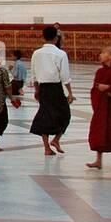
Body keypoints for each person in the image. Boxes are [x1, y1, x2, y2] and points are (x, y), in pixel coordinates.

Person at [30, 24, 73, 155]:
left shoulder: (36, 53)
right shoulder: (60, 54)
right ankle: (56, 139)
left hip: (43, 88)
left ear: (43, 37)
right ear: (56, 38)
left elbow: (34, 74)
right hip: (55, 88)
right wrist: (70, 93)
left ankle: (47, 147)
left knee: (44, 115)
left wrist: (37, 90)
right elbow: (65, 76)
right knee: (65, 114)